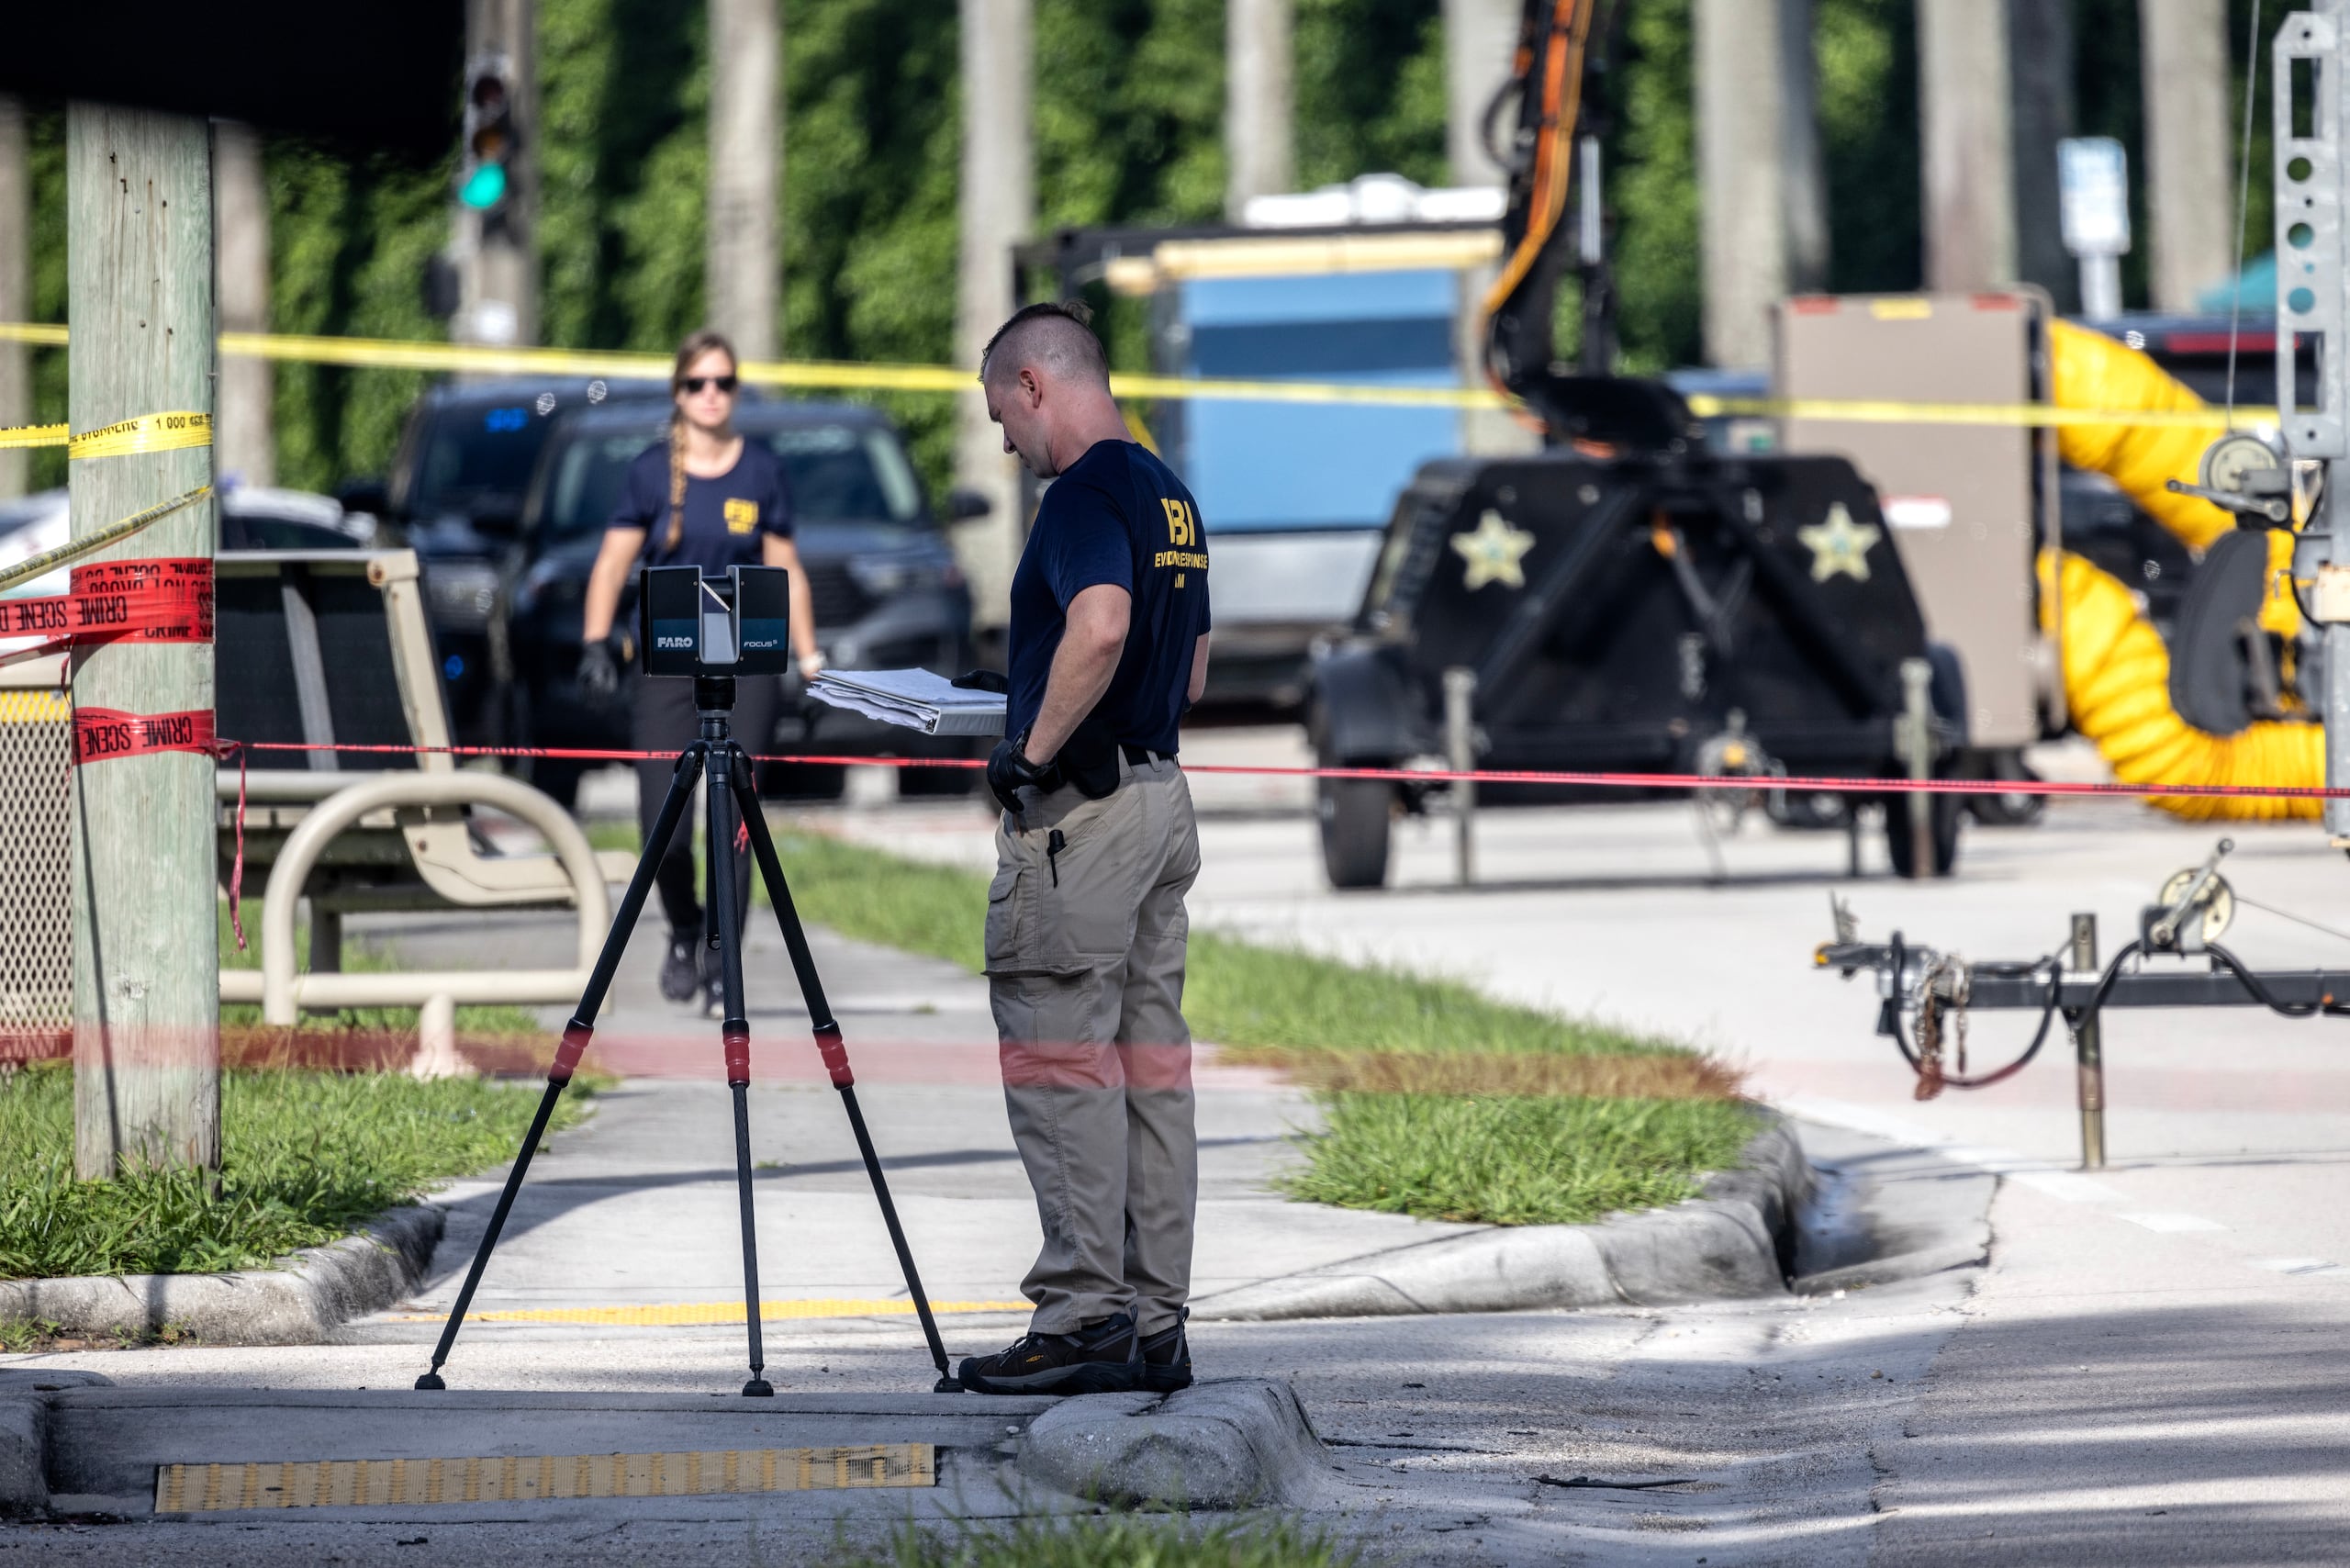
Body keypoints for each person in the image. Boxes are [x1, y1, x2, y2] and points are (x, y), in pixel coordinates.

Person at [955, 302, 1213, 1397]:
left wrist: (1029, 749)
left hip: (1083, 821)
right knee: (1152, 1072)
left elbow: (1100, 624)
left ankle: (1082, 1320)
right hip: (1159, 801)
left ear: (1032, 385)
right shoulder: (1166, 491)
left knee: (1062, 1067)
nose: (1008, 446)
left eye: (1001, 419)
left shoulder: (1081, 496)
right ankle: (1153, 1322)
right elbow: (1188, 668)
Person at [578, 329, 823, 1012]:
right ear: (678, 392)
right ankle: (684, 928)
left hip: (747, 661)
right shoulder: (650, 472)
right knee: (662, 825)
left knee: (736, 820)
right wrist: (596, 643)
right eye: (697, 383)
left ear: (736, 391)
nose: (711, 395)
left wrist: (810, 660)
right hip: (668, 659)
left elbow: (787, 570)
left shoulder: (762, 470)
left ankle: (723, 963)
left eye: (723, 382)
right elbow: (611, 565)